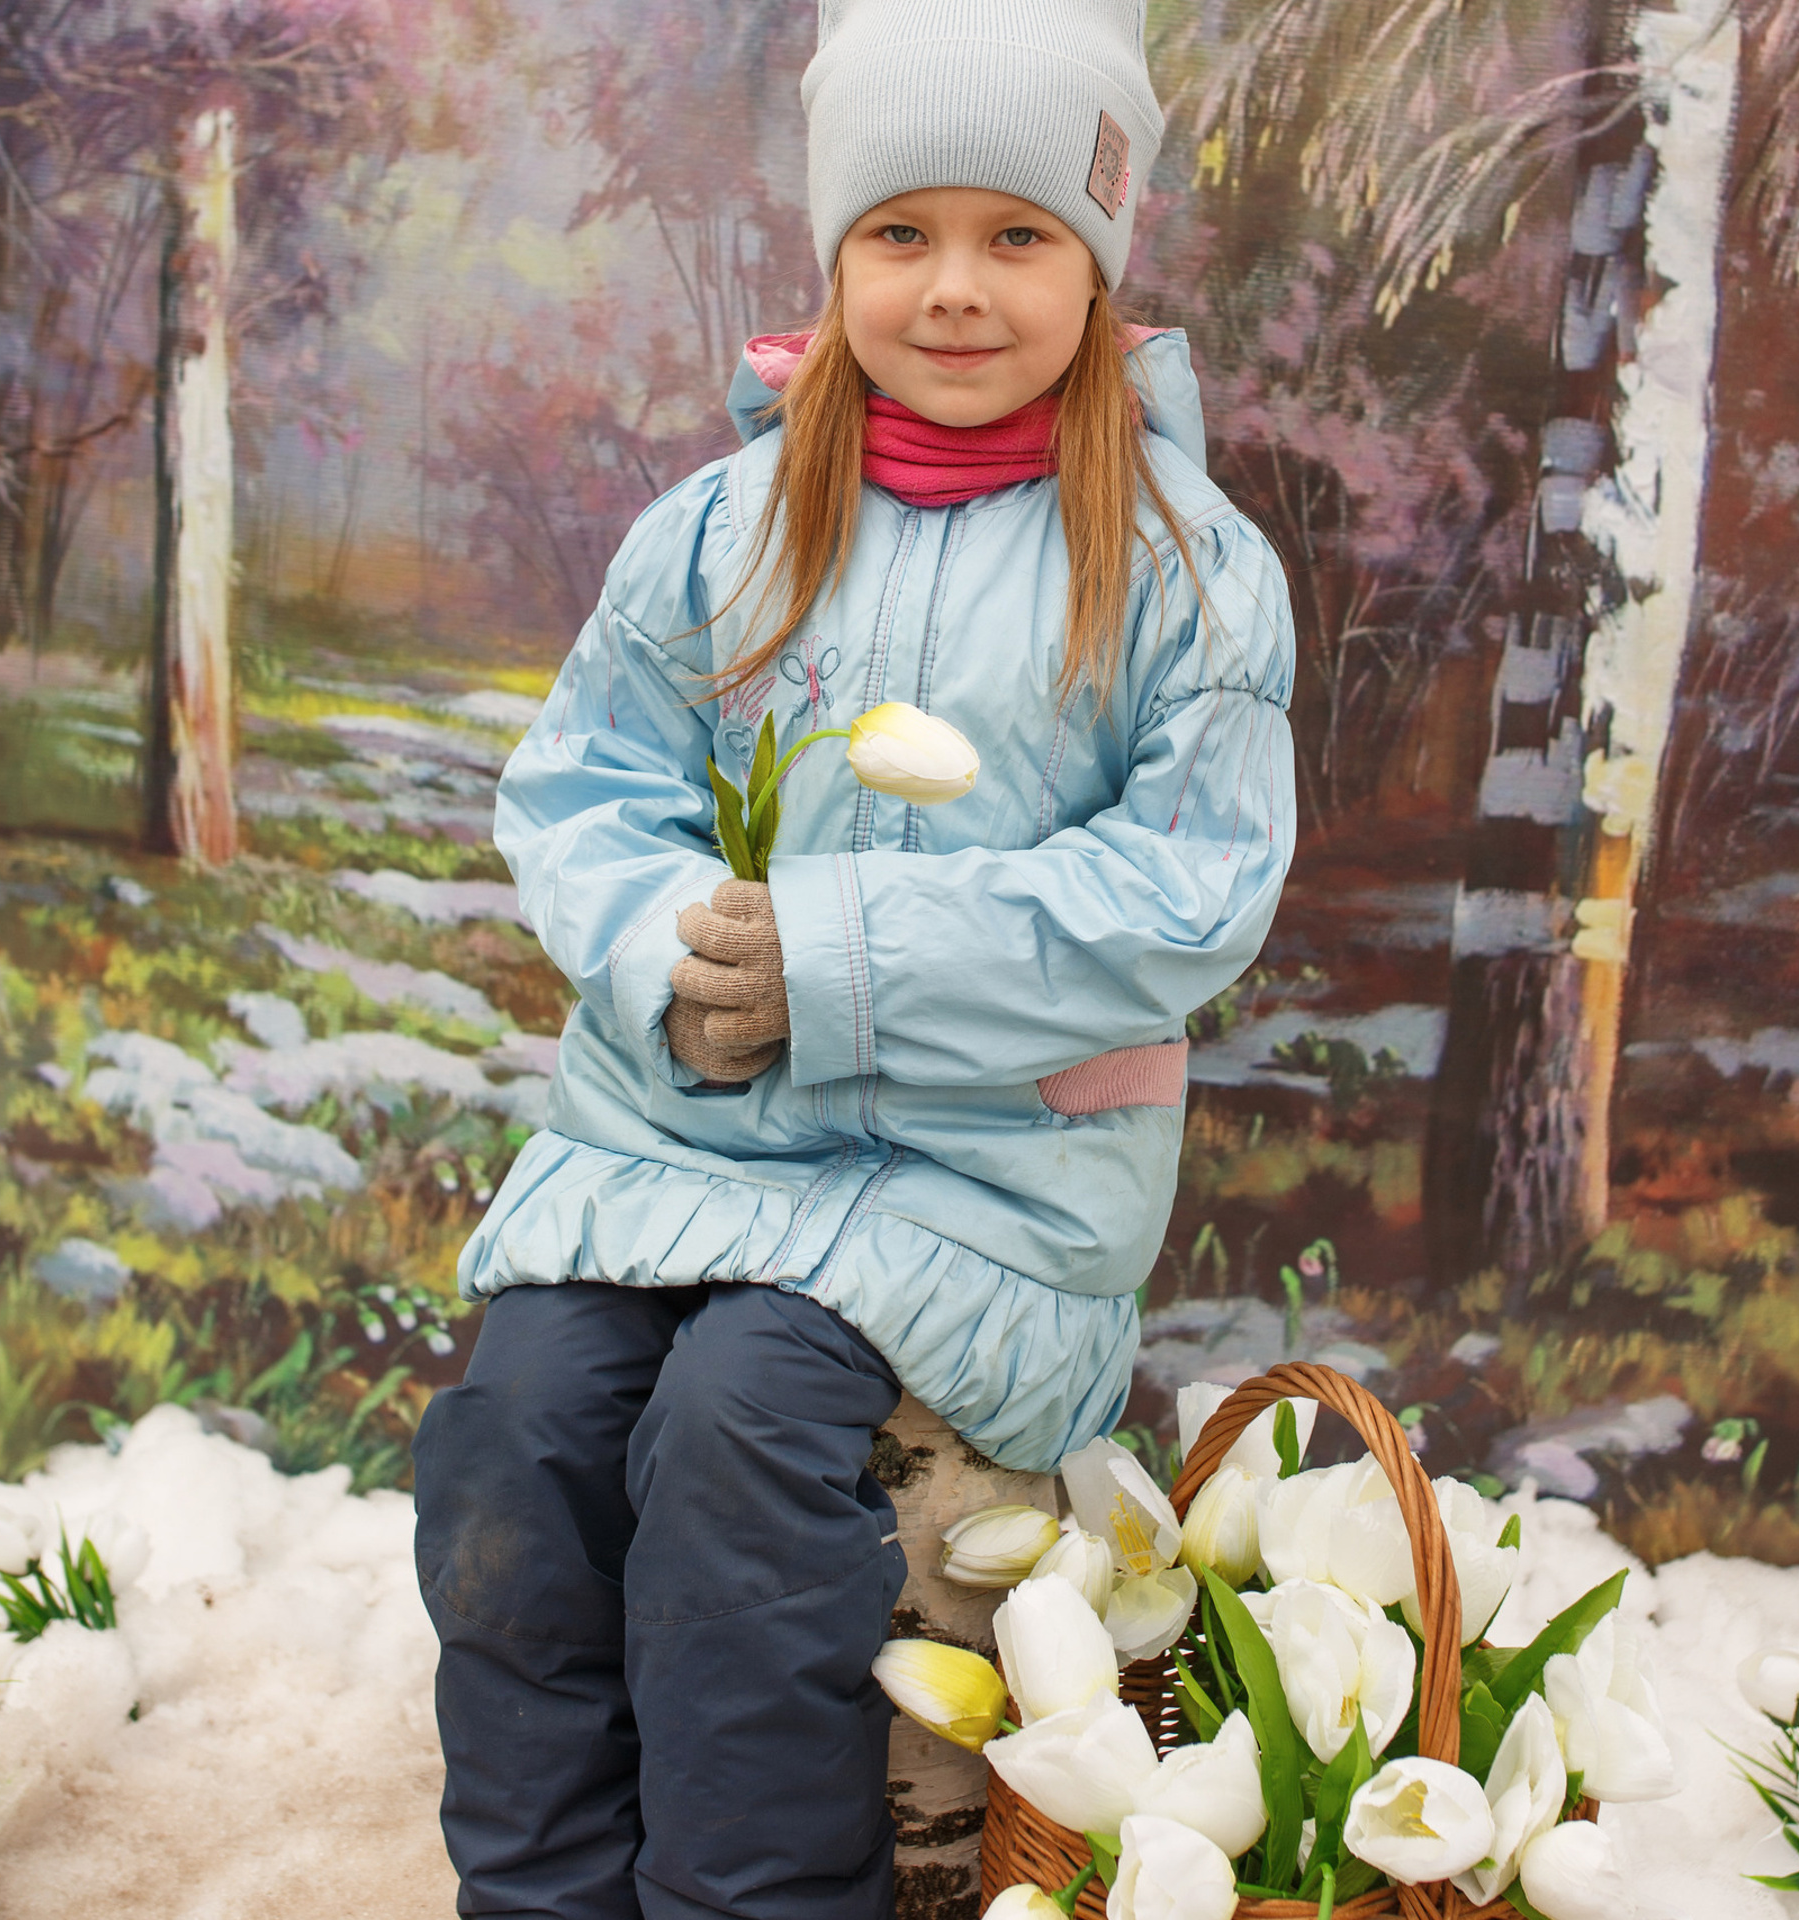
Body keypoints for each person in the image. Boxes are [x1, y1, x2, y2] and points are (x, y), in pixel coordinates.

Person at [411, 2, 1294, 1914]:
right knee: (518, 1424)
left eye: (1018, 236)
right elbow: (584, 786)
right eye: (902, 235)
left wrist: (838, 954)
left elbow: (1186, 889)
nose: (955, 290)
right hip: (675, 1146)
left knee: (741, 1435)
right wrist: (670, 943)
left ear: (1101, 256)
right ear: (833, 252)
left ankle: (753, 1898)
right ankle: (543, 1893)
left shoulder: (1181, 567)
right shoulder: (719, 529)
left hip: (977, 1176)